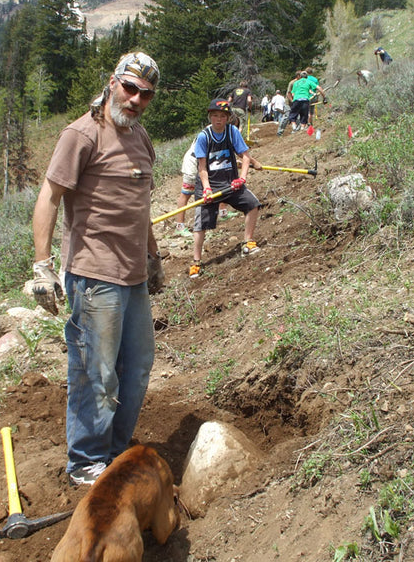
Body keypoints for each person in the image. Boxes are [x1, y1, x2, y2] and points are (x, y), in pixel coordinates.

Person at [31, 52, 164, 486]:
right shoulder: (82, 134)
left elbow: (139, 207)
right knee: (96, 372)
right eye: (130, 89)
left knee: (138, 365)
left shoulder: (141, 138)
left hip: (133, 275)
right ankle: (86, 461)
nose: (136, 99)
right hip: (93, 277)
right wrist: (41, 266)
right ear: (112, 83)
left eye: (145, 94)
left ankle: (115, 450)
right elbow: (48, 198)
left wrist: (154, 256)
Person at [189, 98, 262, 279]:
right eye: (215, 116)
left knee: (253, 204)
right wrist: (206, 189)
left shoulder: (232, 132)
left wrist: (242, 178)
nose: (218, 119)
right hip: (209, 185)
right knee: (200, 224)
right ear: (210, 117)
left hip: (231, 183)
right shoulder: (203, 137)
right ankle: (196, 262)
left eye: (222, 116)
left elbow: (245, 156)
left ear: (228, 117)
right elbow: (202, 167)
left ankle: (248, 242)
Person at [174, 115, 240, 235]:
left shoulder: (224, 132)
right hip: (193, 163)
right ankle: (179, 226)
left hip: (208, 163)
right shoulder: (211, 132)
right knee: (186, 193)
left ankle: (223, 211)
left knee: (223, 180)